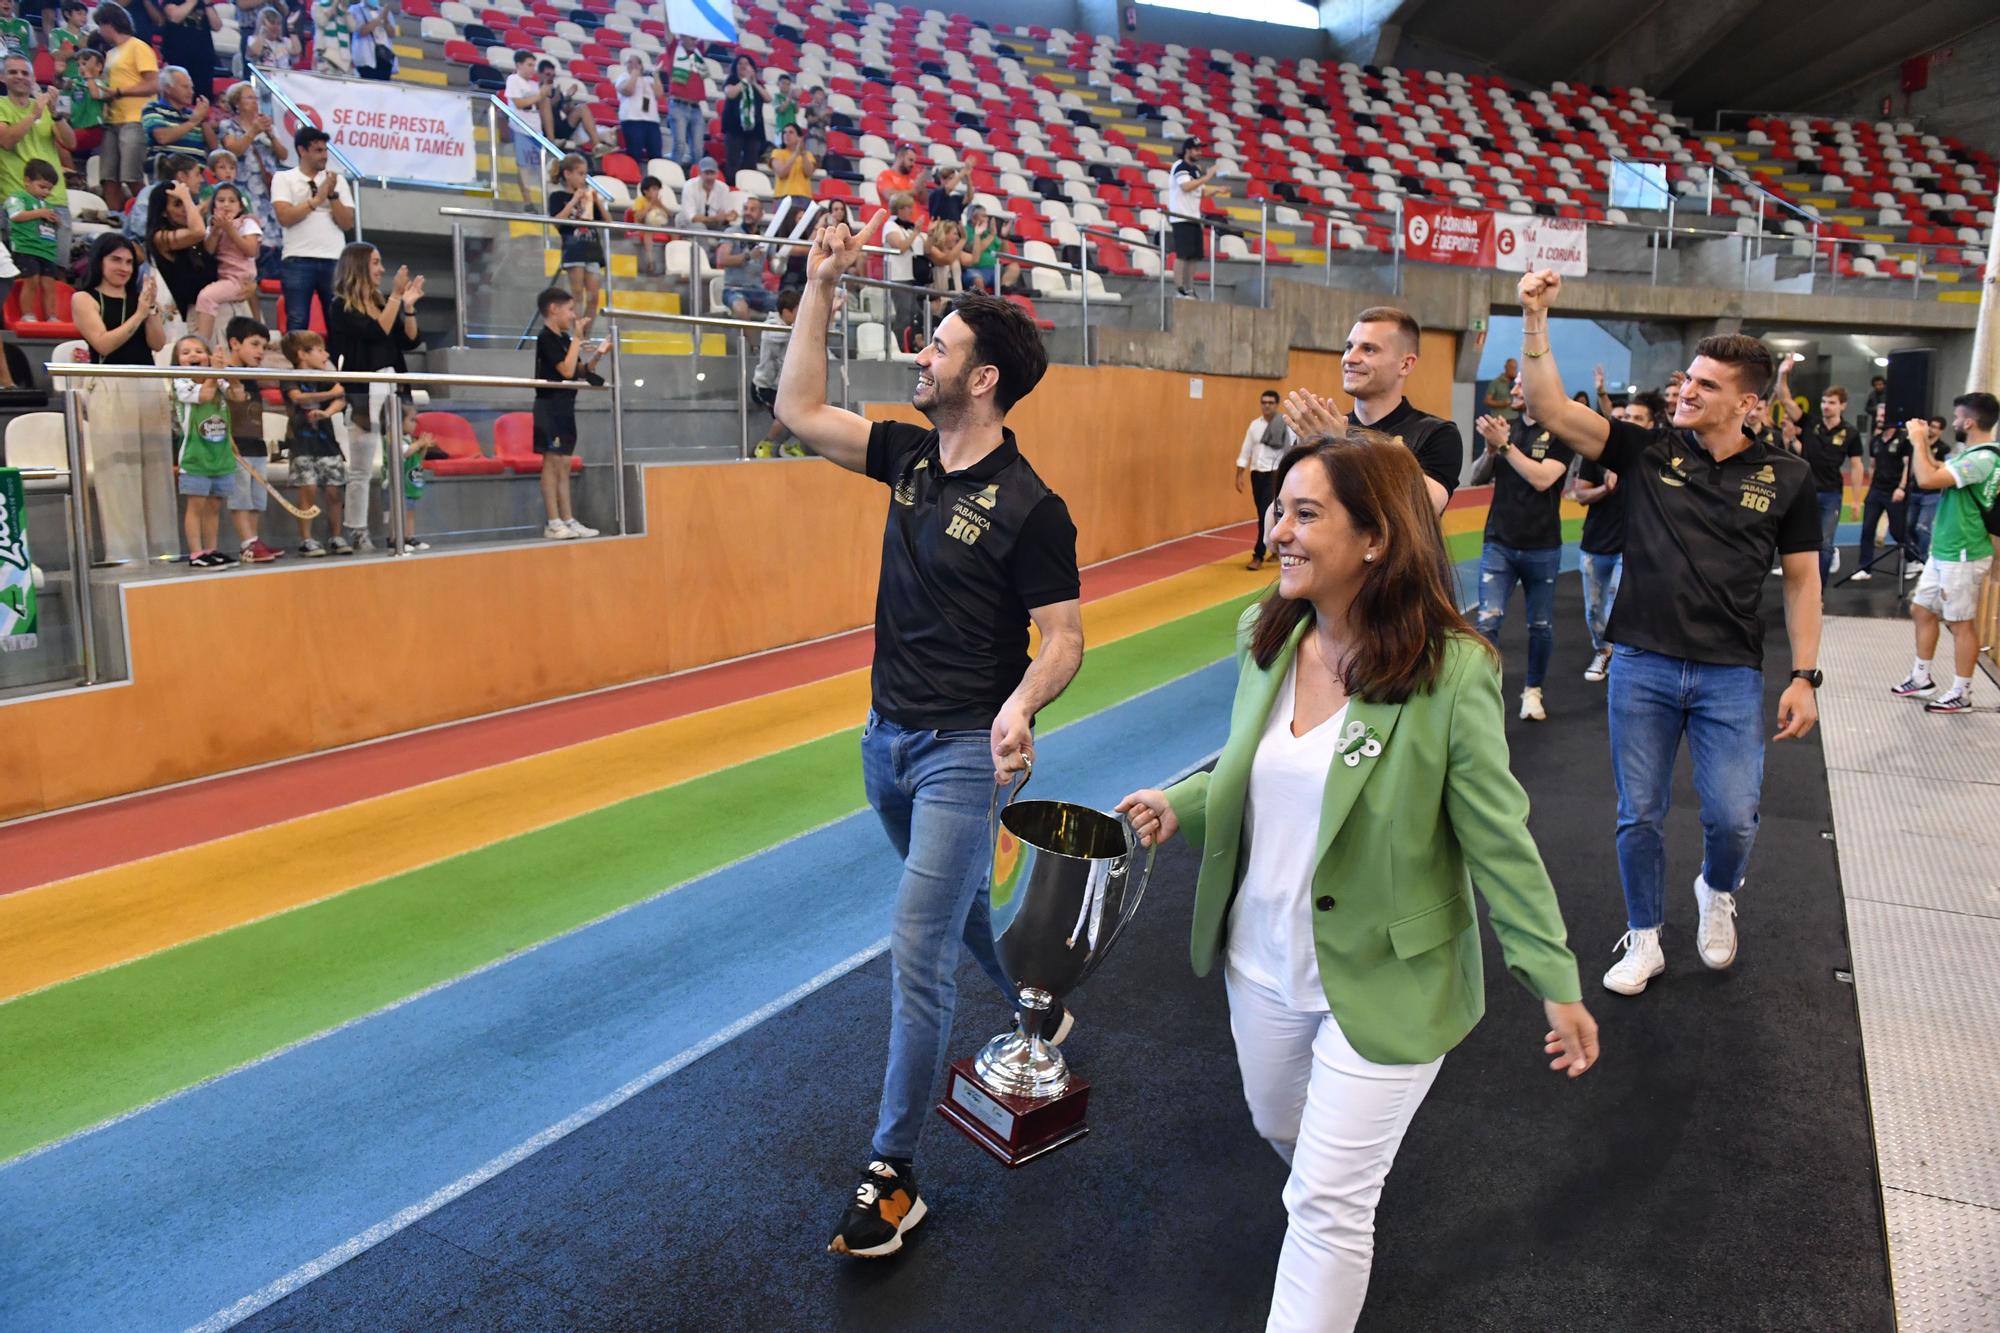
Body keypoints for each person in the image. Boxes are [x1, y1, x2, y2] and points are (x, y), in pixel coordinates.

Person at [1114, 433, 1598, 1333]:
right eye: (1278, 509)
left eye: (1306, 513)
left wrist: (1554, 977)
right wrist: (1185, 801)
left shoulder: (1454, 672)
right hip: (1261, 962)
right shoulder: (1267, 634)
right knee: (1284, 1135)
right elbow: (1264, 767)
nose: (1280, 530)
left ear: (1375, 538)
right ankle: (1338, 1180)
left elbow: (1499, 839)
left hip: (1392, 974)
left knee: (1328, 1205)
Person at [776, 214, 1084, 1261]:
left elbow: (1066, 636)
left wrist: (1019, 702)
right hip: (883, 742)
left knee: (916, 943)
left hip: (961, 750)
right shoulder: (907, 456)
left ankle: (892, 1176)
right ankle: (1037, 1005)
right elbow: (796, 408)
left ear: (983, 377)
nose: (921, 353)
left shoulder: (1031, 505)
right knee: (952, 914)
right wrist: (817, 285)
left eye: (938, 345)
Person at [1513, 268, 1823, 995]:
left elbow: (1805, 580)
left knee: (1733, 818)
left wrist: (1805, 676)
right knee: (1640, 813)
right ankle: (1645, 935)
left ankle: (1717, 889)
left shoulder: (1788, 476)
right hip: (1643, 665)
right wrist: (1534, 317)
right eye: (1687, 378)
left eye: (1706, 386)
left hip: (1730, 674)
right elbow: (1548, 404)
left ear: (1748, 403)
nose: (1685, 391)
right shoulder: (1646, 451)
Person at [1279, 306, 1462, 517]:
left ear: (1405, 364)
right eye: (1349, 347)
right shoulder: (1324, 433)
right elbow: (1273, 528)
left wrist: (1341, 448)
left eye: (1369, 349)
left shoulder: (1435, 433)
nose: (1350, 358)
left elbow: (1426, 507)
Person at [1470, 375, 1573, 721]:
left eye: (1518, 386)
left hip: (1542, 545)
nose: (1511, 391)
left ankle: (1532, 690)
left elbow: (1543, 478)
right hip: (1499, 540)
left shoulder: (1561, 432)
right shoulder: (1504, 429)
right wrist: (1489, 450)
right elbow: (1476, 477)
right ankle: (1483, 695)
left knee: (1540, 625)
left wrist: (1505, 447)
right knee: (1487, 622)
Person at [1891, 396, 2000, 714]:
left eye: (1956, 418)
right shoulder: (1974, 457)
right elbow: (1940, 470)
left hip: (1963, 553)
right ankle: (1921, 677)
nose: (1952, 423)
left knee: (1959, 623)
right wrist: (1924, 447)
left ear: (1969, 422)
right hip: (1946, 550)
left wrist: (1918, 440)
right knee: (1922, 609)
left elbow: (1926, 479)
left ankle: (1962, 692)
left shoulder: (1981, 459)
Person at [72, 233, 170, 562]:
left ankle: (162, 554)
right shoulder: (85, 298)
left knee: (156, 474)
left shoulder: (140, 299)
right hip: (112, 384)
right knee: (119, 475)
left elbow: (157, 344)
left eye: (129, 262)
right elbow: (102, 344)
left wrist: (151, 309)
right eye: (116, 260)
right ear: (100, 260)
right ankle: (127, 557)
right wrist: (139, 314)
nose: (124, 267)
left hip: (149, 383)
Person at [326, 240, 419, 550]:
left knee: (397, 463)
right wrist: (395, 296)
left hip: (394, 384)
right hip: (364, 392)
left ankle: (399, 532)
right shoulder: (340, 306)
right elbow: (374, 333)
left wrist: (408, 306)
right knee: (362, 467)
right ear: (358, 266)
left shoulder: (382, 301)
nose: (381, 269)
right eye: (376, 262)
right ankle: (358, 530)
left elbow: (408, 342)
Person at [1573, 390, 1658, 683]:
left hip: (1632, 547)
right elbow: (1580, 494)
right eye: (1626, 418)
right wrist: (1605, 489)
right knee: (1594, 612)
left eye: (1637, 418)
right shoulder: (1596, 456)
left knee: (1618, 607)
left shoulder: (1656, 458)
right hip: (1595, 544)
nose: (1630, 422)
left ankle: (1621, 661)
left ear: (1650, 424)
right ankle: (1603, 649)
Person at [529, 284, 604, 540]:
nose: (573, 315)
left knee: (564, 464)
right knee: (551, 464)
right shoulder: (546, 338)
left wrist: (599, 356)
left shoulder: (563, 339)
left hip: (565, 407)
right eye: (570, 309)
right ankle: (553, 521)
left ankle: (568, 519)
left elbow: (580, 371)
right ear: (553, 309)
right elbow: (565, 370)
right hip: (548, 406)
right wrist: (577, 339)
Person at [1779, 377, 1862, 584]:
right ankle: (1797, 585)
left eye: (1832, 402)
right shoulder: (1810, 422)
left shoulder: (1850, 433)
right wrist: (1782, 373)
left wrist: (1856, 500)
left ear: (1842, 405)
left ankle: (1818, 592)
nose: (1826, 406)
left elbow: (1857, 466)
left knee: (1824, 545)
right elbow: (1784, 398)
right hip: (1804, 492)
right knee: (1797, 542)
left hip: (1831, 494)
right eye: (1824, 401)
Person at [270, 123, 351, 331]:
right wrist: (317, 200)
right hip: (297, 257)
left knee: (339, 323)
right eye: (318, 150)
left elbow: (346, 223)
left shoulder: (337, 180)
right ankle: (299, 364)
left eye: (325, 150)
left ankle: (339, 364)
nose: (324, 156)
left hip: (334, 259)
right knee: (297, 320)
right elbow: (285, 217)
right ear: (301, 150)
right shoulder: (283, 178)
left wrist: (331, 195)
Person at [169, 333, 240, 567]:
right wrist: (215, 372)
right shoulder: (180, 382)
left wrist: (230, 371)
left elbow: (237, 395)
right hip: (194, 456)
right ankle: (196, 553)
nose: (193, 356)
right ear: (177, 360)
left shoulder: (217, 378)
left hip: (220, 455)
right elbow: (206, 394)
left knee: (214, 505)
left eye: (199, 351)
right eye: (186, 352)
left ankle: (211, 549)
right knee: (196, 505)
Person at [277, 326, 347, 554]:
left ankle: (336, 537)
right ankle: (306, 539)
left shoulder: (326, 377)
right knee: (308, 489)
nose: (325, 355)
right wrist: (331, 394)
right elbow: (298, 398)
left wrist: (326, 412)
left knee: (334, 492)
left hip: (327, 444)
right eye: (319, 350)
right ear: (302, 354)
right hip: (301, 444)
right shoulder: (289, 377)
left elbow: (341, 400)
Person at [218, 313, 281, 562]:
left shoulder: (254, 374)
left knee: (257, 497)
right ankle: (247, 542)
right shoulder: (226, 374)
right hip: (236, 444)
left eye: (264, 347)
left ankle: (254, 541)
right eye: (254, 344)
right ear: (234, 343)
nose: (260, 352)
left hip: (257, 443)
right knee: (241, 496)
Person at [215, 80, 285, 274]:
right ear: (236, 102)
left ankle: (271, 271)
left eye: (256, 98)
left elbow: (283, 155)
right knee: (248, 228)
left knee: (272, 233)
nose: (255, 102)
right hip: (243, 187)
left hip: (267, 188)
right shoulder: (228, 125)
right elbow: (234, 149)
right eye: (249, 98)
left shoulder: (267, 124)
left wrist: (271, 134)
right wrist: (253, 131)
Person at [93, 2, 157, 210]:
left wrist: (120, 92)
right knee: (109, 178)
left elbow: (152, 84)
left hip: (134, 118)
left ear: (108, 23)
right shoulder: (111, 54)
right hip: (113, 119)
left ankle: (148, 217)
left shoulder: (138, 46)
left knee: (132, 176)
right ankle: (116, 221)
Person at [1853, 402, 1916, 581]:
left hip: (1895, 491)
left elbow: (1907, 466)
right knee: (1867, 529)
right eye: (1878, 416)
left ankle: (1913, 559)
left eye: (1882, 416)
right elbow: (1873, 465)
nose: (1879, 419)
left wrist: (1901, 488)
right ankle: (1865, 568)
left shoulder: (1904, 439)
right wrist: (1871, 485)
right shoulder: (1876, 440)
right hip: (1876, 490)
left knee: (1898, 531)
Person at [546, 153, 606, 334]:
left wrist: (597, 202)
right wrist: (573, 200)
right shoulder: (557, 196)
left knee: (594, 297)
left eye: (585, 174)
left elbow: (607, 222)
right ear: (567, 174)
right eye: (580, 174)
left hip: (592, 249)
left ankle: (585, 336)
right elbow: (557, 222)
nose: (583, 178)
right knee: (577, 295)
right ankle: (576, 336)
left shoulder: (588, 197)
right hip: (573, 249)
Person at [194, 179, 257, 338]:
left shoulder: (246, 223)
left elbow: (251, 250)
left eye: (232, 201)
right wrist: (216, 231)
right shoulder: (212, 226)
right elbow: (209, 251)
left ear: (240, 206)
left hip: (240, 277)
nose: (226, 205)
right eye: (221, 201)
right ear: (214, 206)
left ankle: (203, 341)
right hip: (223, 276)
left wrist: (230, 230)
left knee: (206, 297)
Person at [1235, 387, 1289, 571]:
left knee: (1263, 514)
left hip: (1275, 474)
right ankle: (1276, 548)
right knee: (1267, 511)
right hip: (1257, 473)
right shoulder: (1254, 425)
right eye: (1264, 403)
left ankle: (1258, 554)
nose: (1266, 406)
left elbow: (1291, 450)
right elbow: (1246, 449)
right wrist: (1239, 474)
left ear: (1276, 404)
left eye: (1270, 403)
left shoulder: (1284, 425)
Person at [748, 285, 803, 458]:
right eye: (797, 311)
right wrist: (800, 329)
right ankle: (764, 445)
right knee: (785, 414)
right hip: (763, 387)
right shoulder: (771, 326)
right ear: (786, 312)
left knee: (811, 409)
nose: (800, 315)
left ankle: (791, 445)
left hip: (784, 386)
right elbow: (781, 336)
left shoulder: (794, 328)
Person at [1166, 137, 1223, 298]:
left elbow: (1201, 192)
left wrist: (1217, 189)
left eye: (1200, 149)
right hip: (1181, 217)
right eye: (1196, 149)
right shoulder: (1180, 166)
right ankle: (1179, 288)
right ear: (1187, 150)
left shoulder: (1196, 170)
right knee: (1183, 254)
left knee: (1193, 255)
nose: (1199, 152)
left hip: (1194, 218)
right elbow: (1186, 187)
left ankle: (1190, 288)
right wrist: (1208, 176)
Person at [5, 157, 60, 320]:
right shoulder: (17, 197)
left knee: (49, 285)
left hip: (47, 251)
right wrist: (40, 213)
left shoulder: (47, 205)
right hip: (26, 248)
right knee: (32, 281)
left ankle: (51, 316)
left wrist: (56, 221)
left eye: (49, 189)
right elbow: (15, 215)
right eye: (42, 187)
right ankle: (27, 314)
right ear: (27, 181)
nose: (46, 192)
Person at [141, 63, 211, 173]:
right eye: (185, 87)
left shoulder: (194, 114)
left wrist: (203, 119)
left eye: (191, 87)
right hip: (167, 175)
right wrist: (193, 122)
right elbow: (162, 138)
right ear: (167, 88)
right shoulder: (153, 108)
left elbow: (213, 146)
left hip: (197, 177)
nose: (191, 92)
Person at [714, 191, 771, 318]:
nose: (747, 212)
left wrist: (781, 259)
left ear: (761, 214)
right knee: (741, 308)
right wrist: (748, 256)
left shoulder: (766, 236)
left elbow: (776, 268)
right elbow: (722, 259)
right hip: (733, 289)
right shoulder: (732, 232)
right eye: (745, 209)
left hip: (758, 290)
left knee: (787, 306)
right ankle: (751, 339)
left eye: (752, 210)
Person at [154, 0, 219, 101]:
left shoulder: (203, 3)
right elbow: (175, 17)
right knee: (178, 95)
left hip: (203, 59)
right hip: (178, 57)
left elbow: (217, 26)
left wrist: (208, 4)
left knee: (202, 98)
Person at [502, 50, 544, 202]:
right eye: (529, 65)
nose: (533, 68)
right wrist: (540, 95)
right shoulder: (513, 79)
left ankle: (540, 198)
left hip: (536, 129)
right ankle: (527, 200)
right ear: (519, 65)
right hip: (520, 128)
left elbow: (541, 105)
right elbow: (519, 103)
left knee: (538, 167)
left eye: (534, 65)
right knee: (524, 166)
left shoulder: (533, 84)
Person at [879, 191, 918, 346]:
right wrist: (915, 233)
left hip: (910, 276)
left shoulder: (908, 228)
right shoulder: (890, 225)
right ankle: (899, 346)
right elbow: (900, 247)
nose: (911, 211)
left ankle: (910, 344)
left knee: (913, 314)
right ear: (900, 209)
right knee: (903, 315)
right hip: (897, 276)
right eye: (908, 207)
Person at [718, 53, 764, 181]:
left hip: (754, 128)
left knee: (751, 161)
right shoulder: (731, 81)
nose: (743, 66)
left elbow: (767, 98)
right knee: (733, 160)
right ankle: (732, 186)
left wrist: (754, 83)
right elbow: (731, 93)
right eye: (740, 63)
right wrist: (744, 80)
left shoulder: (757, 84)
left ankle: (748, 185)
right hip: (734, 126)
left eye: (746, 64)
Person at [663, 33, 705, 168]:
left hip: (696, 107)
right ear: (682, 37)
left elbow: (708, 33)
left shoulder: (698, 51)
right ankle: (674, 175)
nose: (695, 39)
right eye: (691, 37)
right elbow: (668, 31)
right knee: (679, 145)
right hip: (678, 105)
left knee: (698, 150)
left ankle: (698, 181)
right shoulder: (675, 48)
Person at [674, 152, 733, 241]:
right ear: (700, 173)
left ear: (717, 174)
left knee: (731, 231)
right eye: (706, 173)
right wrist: (715, 218)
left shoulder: (723, 188)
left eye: (712, 173)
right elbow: (692, 217)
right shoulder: (689, 186)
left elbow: (723, 215)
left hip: (713, 222)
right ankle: (704, 254)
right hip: (689, 221)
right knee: (699, 227)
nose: (709, 177)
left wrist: (729, 217)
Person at [961, 202, 1017, 295]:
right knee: (977, 280)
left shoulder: (989, 231)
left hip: (995, 269)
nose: (987, 219)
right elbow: (974, 251)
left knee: (1014, 267)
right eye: (984, 216)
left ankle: (1003, 291)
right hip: (975, 270)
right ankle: (984, 306)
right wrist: (991, 236)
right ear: (974, 218)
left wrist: (1004, 237)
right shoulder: (966, 230)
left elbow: (1003, 253)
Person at [614, 53, 660, 165]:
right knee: (634, 153)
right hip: (632, 120)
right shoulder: (623, 77)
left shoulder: (648, 80)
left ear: (641, 65)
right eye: (630, 62)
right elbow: (628, 91)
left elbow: (658, 93)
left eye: (636, 62)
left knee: (656, 155)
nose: (633, 64)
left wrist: (656, 75)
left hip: (651, 121)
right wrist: (634, 74)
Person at [628, 174, 668, 276]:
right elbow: (638, 216)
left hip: (657, 227)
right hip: (641, 228)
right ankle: (650, 261)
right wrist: (650, 205)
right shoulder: (639, 201)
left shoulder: (658, 202)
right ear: (646, 191)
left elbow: (669, 215)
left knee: (675, 233)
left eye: (658, 189)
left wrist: (661, 205)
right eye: (654, 189)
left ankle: (672, 264)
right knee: (648, 232)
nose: (657, 192)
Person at [873, 142, 920, 220]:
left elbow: (924, 201)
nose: (913, 164)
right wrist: (912, 192)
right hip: (893, 223)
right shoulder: (885, 175)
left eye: (914, 161)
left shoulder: (912, 178)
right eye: (910, 160)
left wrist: (921, 184)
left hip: (911, 224)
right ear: (900, 157)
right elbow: (891, 196)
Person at [347, 0, 391, 82]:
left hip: (384, 59)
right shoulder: (355, 9)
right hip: (365, 60)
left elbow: (392, 34)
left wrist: (386, 20)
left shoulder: (384, 11)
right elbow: (362, 31)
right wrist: (380, 17)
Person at [767, 120, 812, 199]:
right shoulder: (777, 153)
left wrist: (803, 154)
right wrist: (795, 154)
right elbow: (782, 173)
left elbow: (808, 173)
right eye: (784, 132)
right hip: (782, 196)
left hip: (804, 197)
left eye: (791, 132)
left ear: (799, 137)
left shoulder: (807, 155)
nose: (786, 135)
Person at [1482, 356, 1517, 422]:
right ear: (1506, 367)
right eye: (1511, 368)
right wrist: (1502, 403)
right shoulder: (1496, 383)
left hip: (1515, 419)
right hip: (1499, 419)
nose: (1514, 370)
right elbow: (1487, 401)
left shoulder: (1517, 383)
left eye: (1515, 368)